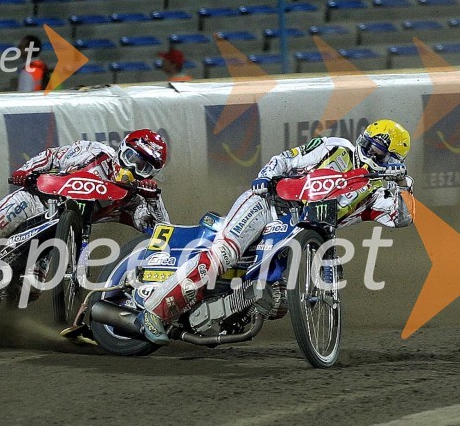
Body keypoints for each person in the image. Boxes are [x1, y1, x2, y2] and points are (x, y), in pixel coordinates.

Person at [138, 119, 415, 345]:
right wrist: (265, 177)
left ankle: (223, 312)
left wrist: (403, 184)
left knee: (279, 301)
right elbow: (288, 158)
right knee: (223, 254)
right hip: (269, 203)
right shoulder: (336, 148)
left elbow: (402, 218)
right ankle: (154, 312)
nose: (370, 152)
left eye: (379, 151)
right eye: (369, 143)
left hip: (302, 231)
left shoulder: (379, 192)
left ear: (392, 159)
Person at [0, 130, 170, 279]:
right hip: (33, 201)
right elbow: (52, 156)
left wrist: (153, 198)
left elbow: (161, 231)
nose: (132, 168)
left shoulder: (134, 198)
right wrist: (26, 171)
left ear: (151, 174)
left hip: (58, 231)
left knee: (34, 286)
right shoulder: (94, 152)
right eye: (131, 158)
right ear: (121, 149)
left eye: (143, 167)